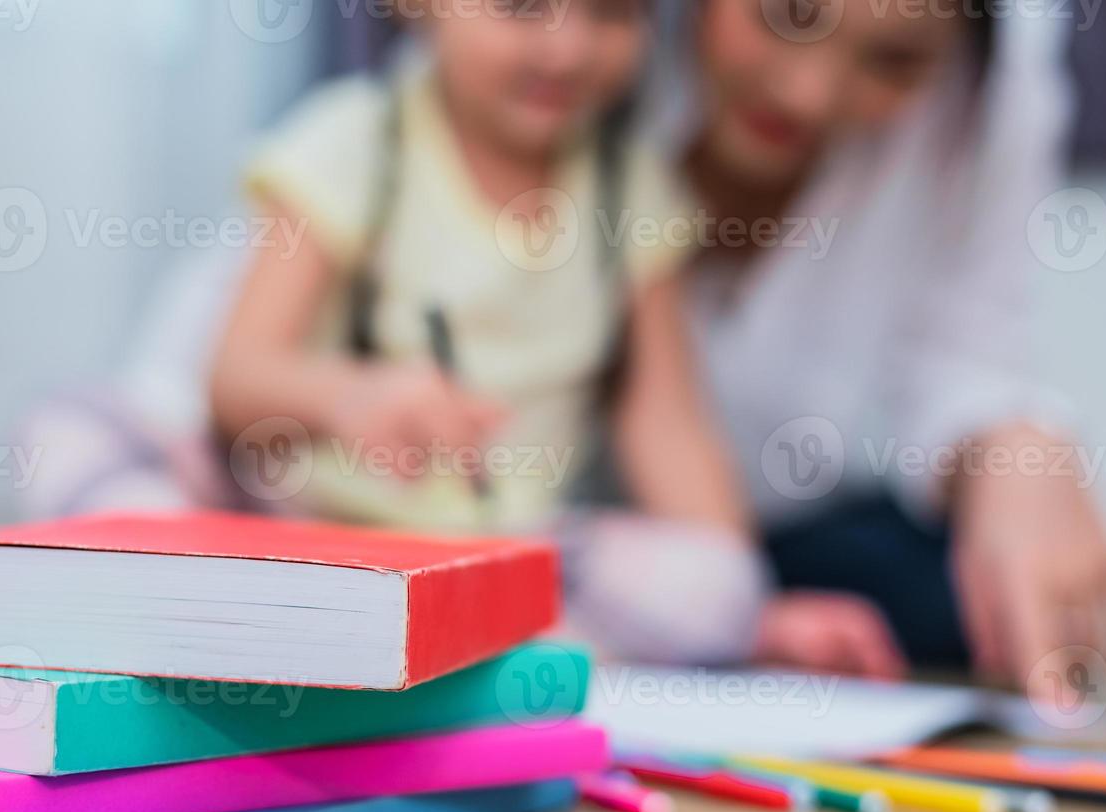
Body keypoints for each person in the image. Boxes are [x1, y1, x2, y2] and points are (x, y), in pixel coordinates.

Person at [207, 0, 771, 664]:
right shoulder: (355, 142)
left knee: (716, 590)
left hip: (507, 549)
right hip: (315, 534)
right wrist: (348, 398)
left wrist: (753, 604)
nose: (567, 51)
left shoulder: (630, 186)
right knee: (87, 436)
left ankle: (417, 649)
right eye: (522, 9)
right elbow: (238, 377)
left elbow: (667, 425)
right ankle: (469, 650)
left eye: (614, 14)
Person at [637, 0, 1106, 697]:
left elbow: (969, 350)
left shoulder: (993, 100)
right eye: (788, 15)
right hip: (579, 532)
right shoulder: (579, 79)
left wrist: (1014, 445)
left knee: (950, 604)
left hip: (800, 541)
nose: (806, 93)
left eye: (896, 61)